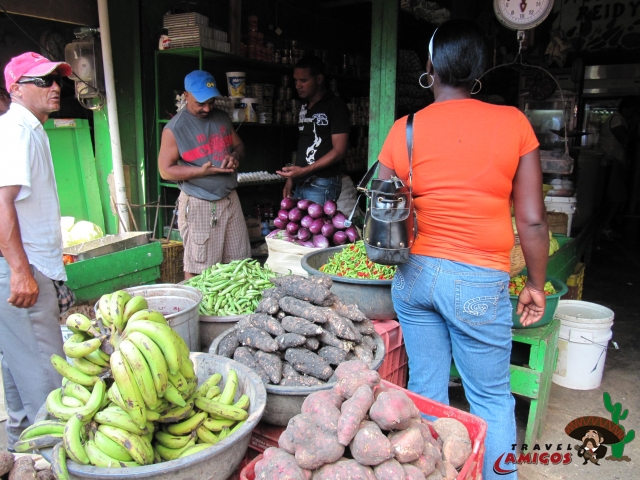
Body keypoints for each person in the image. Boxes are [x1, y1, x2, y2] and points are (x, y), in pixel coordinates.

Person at [376, 20, 549, 480]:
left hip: (414, 276)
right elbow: (533, 220)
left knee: (426, 390)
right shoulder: (513, 123)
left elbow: (382, 203)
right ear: (479, 69)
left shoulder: (405, 128)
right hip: (478, 280)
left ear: (430, 67)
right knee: (490, 398)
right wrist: (535, 284)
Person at [0, 52, 72, 451]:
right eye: (43, 81)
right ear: (16, 89)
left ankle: (18, 451)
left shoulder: (28, 128)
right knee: (46, 379)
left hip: (24, 264)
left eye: (56, 80)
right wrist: (20, 271)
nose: (55, 87)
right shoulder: (18, 130)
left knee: (18, 364)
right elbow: (2, 203)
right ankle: (51, 458)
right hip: (23, 266)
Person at [158, 70, 250, 279]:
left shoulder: (221, 117)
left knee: (239, 264)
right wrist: (201, 171)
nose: (207, 108)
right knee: (199, 268)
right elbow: (165, 171)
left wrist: (235, 156)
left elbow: (239, 146)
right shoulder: (175, 128)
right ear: (186, 95)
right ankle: (198, 302)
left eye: (210, 102)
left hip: (229, 199)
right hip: (200, 202)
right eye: (201, 103)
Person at [277, 55, 350, 204]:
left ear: (319, 79)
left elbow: (339, 151)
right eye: (296, 80)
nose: (298, 85)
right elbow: (304, 142)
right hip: (301, 181)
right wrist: (292, 179)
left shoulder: (335, 106)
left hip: (322, 183)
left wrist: (304, 171)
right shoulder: (304, 106)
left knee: (317, 220)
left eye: (303, 80)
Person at [599, 96, 640, 238]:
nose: (633, 114)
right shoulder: (617, 119)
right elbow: (625, 139)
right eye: (633, 111)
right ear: (626, 109)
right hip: (611, 161)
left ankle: (605, 226)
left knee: (613, 196)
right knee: (617, 196)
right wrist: (635, 123)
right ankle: (605, 226)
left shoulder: (619, 119)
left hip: (614, 162)